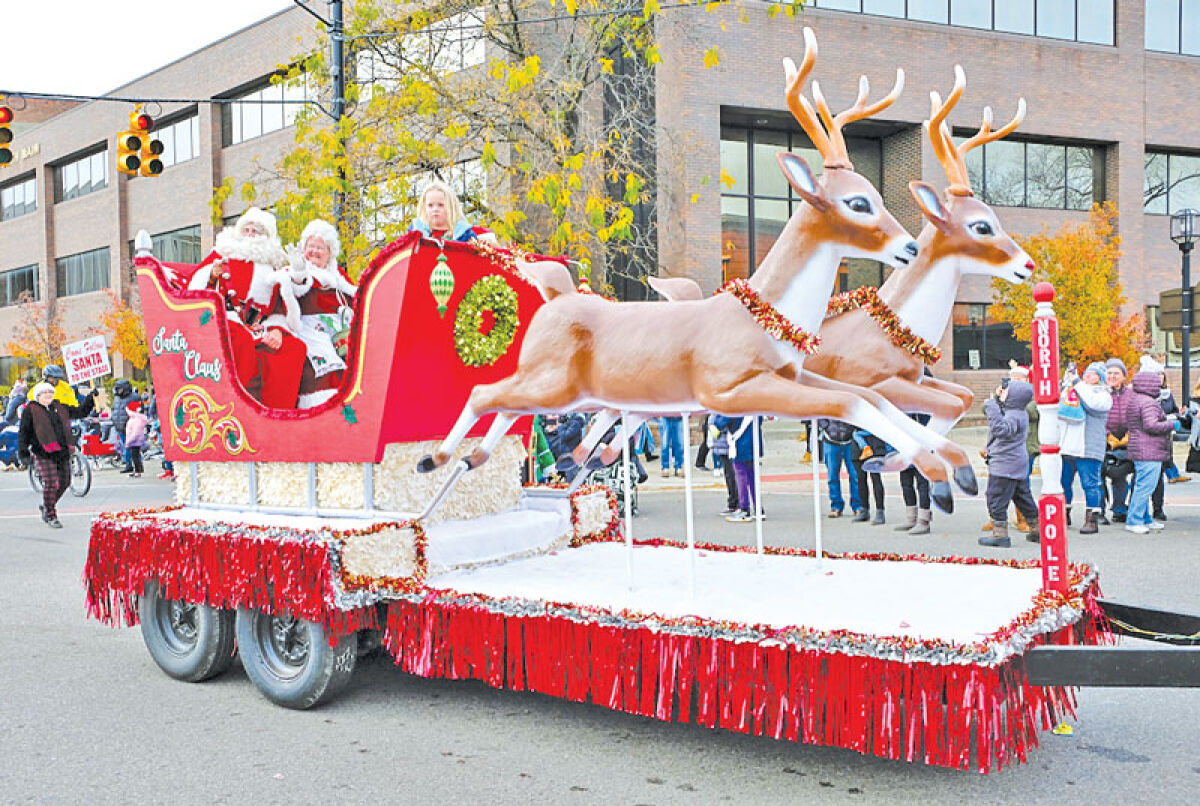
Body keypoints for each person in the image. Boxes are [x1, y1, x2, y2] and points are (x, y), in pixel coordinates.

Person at [188, 207, 307, 409]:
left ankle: (277, 412)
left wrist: (278, 330)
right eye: (247, 230)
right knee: (241, 341)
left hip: (260, 327)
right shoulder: (222, 254)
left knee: (293, 348)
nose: (250, 235)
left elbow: (279, 306)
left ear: (266, 237)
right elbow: (195, 286)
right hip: (226, 321)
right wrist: (212, 275)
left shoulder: (273, 265)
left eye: (256, 231)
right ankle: (237, 408)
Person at [284, 219, 359, 408]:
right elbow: (296, 286)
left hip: (341, 335)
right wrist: (298, 272)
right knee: (327, 373)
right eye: (311, 246)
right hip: (311, 334)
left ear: (329, 253)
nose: (315, 251)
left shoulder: (339, 277)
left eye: (321, 248)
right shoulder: (298, 270)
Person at [17, 381, 98, 528]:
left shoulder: (59, 407)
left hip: (62, 451)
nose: (48, 395)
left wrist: (90, 398)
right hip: (43, 452)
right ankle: (51, 514)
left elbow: (80, 412)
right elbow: (23, 432)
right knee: (51, 483)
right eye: (45, 393)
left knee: (65, 482)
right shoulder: (31, 410)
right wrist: (23, 453)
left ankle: (47, 505)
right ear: (38, 396)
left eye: (50, 392)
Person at [979, 379, 1039, 548]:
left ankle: (1000, 534)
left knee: (995, 497)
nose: (1002, 393)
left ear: (1014, 397)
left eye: (1006, 391)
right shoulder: (1019, 412)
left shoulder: (1013, 415)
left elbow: (1001, 430)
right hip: (1016, 463)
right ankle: (1037, 528)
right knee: (1022, 496)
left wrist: (991, 405)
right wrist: (997, 400)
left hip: (1005, 464)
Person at [1059, 362, 1113, 535]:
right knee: (1063, 482)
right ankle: (1063, 513)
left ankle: (1092, 518)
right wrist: (1066, 383)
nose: (1087, 376)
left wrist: (1076, 382)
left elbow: (1091, 403)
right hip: (1068, 446)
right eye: (1086, 374)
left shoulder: (1104, 395)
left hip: (1088, 446)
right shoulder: (1076, 389)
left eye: (1093, 374)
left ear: (1100, 378)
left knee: (1090, 484)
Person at [1124, 357, 1176, 534]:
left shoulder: (1137, 399)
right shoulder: (1148, 402)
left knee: (1142, 485)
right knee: (1145, 487)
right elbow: (1151, 425)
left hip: (1140, 449)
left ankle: (1145, 518)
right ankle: (1134, 520)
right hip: (1149, 450)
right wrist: (1172, 424)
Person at [408, 179, 497, 243]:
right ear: (424, 207)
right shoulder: (415, 230)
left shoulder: (464, 233)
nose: (435, 209)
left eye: (441, 205)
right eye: (430, 205)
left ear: (451, 207)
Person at [1103, 358, 1133, 523]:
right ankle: (1098, 511)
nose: (1113, 376)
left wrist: (1128, 435)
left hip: (1126, 440)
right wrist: (1108, 435)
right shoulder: (1101, 393)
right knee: (1099, 477)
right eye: (1109, 373)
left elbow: (1136, 415)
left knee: (1120, 475)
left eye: (1117, 373)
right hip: (1104, 440)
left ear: (1123, 376)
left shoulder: (1132, 395)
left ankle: (1119, 509)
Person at [717, 415, 762, 522]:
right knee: (752, 476)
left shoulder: (736, 404)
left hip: (739, 443)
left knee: (740, 476)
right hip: (753, 442)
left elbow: (721, 421)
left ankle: (744, 508)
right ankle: (758, 508)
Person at [895, 414, 933, 534]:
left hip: (921, 450)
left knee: (922, 485)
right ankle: (911, 518)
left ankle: (923, 520)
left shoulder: (923, 411)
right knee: (906, 484)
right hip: (904, 450)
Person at [818, 418, 861, 519]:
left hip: (850, 439)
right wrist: (825, 425)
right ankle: (836, 506)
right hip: (830, 439)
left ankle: (858, 506)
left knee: (855, 476)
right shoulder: (826, 401)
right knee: (832, 476)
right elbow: (819, 412)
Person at [851, 430, 887, 524]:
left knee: (876, 479)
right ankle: (864, 510)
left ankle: (880, 511)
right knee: (860, 479)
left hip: (874, 444)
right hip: (857, 446)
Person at [710, 417, 740, 515]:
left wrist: (713, 424)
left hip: (728, 443)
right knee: (729, 475)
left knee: (732, 475)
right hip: (722, 443)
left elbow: (720, 422)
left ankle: (736, 503)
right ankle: (734, 502)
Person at [123, 400, 148, 478]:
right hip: (137, 440)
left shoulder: (135, 420)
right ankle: (138, 470)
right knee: (136, 456)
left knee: (134, 457)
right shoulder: (137, 418)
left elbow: (135, 433)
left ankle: (137, 471)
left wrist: (128, 442)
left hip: (134, 441)